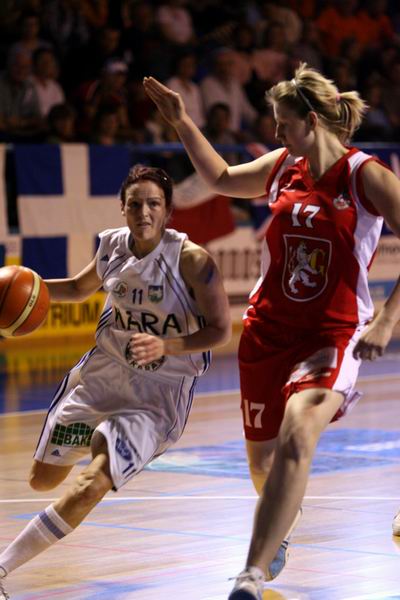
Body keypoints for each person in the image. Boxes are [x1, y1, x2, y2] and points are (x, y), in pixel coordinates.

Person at [143, 62, 400, 599]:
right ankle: (283, 517)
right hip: (266, 331)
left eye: (283, 123)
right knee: (263, 465)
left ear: (312, 120)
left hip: (330, 333)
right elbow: (219, 179)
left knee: (299, 431)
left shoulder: (365, 175)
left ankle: (251, 575)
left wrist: (387, 319)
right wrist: (182, 122)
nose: (276, 133)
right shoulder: (284, 166)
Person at [0, 165, 231, 600]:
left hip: (157, 396)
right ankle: (104, 436)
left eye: (154, 204)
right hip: (102, 377)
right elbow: (76, 288)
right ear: (122, 208)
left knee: (92, 485)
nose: (144, 212)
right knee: (41, 481)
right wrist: (27, 290)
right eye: (135, 204)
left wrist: (167, 345)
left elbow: (220, 330)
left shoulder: (193, 261)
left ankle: (2, 568)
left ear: (168, 210)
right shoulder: (112, 246)